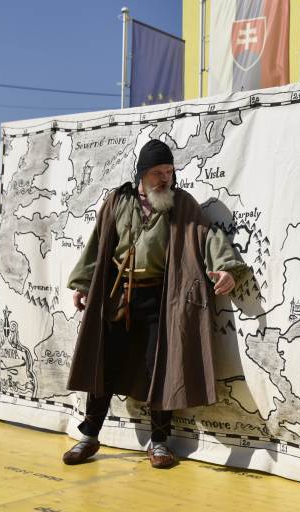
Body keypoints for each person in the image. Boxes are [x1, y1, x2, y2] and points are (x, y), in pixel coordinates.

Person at [62, 139, 247, 468]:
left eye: (170, 172)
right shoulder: (118, 201)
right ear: (142, 174)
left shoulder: (181, 203)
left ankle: (159, 443)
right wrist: (83, 282)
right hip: (118, 296)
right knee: (105, 362)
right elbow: (98, 243)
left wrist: (226, 268)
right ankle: (89, 436)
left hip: (159, 300)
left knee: (161, 367)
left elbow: (207, 236)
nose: (166, 179)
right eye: (158, 173)